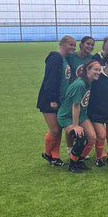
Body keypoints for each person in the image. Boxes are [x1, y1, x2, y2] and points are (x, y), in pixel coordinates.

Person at [37, 35, 76, 167]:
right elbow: (50, 80)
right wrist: (52, 99)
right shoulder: (55, 58)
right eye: (70, 44)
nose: (73, 47)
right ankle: (47, 154)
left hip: (60, 101)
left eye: (74, 45)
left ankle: (55, 158)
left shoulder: (65, 59)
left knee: (58, 129)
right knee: (54, 130)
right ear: (62, 44)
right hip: (49, 100)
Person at [57, 60, 102, 173]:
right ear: (87, 69)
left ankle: (79, 161)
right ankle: (72, 165)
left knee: (92, 138)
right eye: (95, 69)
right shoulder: (80, 84)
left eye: (99, 70)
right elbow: (75, 105)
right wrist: (75, 126)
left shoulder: (89, 81)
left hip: (81, 115)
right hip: (66, 116)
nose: (98, 72)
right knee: (80, 138)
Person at [88, 53, 108, 167]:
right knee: (101, 135)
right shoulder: (97, 76)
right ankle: (99, 157)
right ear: (106, 64)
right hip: (97, 112)